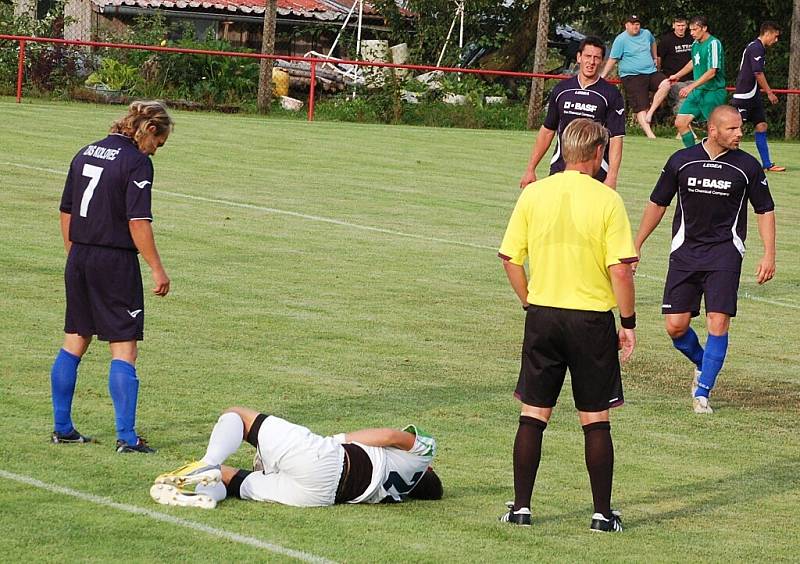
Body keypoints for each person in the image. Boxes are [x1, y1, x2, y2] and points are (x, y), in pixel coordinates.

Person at [499, 118, 637, 532]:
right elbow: (621, 271)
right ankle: (601, 514)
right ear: (598, 154)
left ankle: (521, 507)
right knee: (594, 418)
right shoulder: (607, 200)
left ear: (561, 149)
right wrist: (627, 322)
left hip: (543, 315)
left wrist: (529, 301)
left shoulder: (534, 194)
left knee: (533, 413)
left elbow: (510, 258)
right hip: (591, 320)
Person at [634, 105, 776, 414]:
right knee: (675, 326)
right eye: (732, 129)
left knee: (718, 321)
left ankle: (703, 393)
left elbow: (764, 209)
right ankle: (703, 362)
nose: (740, 133)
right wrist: (637, 244)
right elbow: (657, 204)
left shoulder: (748, 167)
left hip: (725, 253)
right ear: (713, 130)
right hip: (685, 252)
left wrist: (768, 253)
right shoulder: (681, 162)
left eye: (740, 128)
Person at [50, 100, 174, 453]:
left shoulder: (86, 151)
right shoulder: (137, 162)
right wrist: (156, 268)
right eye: (159, 143)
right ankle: (127, 437)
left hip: (79, 255)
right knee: (124, 347)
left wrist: (74, 253)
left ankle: (63, 428)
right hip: (114, 262)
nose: (157, 151)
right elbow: (138, 222)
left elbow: (66, 210)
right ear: (149, 129)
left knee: (74, 340)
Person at [149, 406, 442, 509]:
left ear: (428, 471)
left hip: (329, 461)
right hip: (317, 497)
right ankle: (206, 494)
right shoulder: (399, 494)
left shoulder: (423, 456)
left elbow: (392, 436)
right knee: (230, 478)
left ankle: (206, 462)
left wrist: (338, 439)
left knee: (237, 416)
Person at [520, 36, 625, 190]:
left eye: (597, 58)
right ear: (579, 57)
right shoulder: (562, 90)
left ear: (602, 61)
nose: (591, 62)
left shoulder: (611, 94)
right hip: (561, 168)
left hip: (595, 174)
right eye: (588, 56)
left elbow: (616, 138)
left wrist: (611, 177)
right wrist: (530, 168)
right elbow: (548, 130)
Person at [601, 14, 671, 139]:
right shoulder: (621, 39)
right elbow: (612, 59)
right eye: (632, 24)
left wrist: (655, 57)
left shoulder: (646, 33)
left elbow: (653, 42)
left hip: (650, 71)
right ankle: (650, 135)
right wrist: (602, 77)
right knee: (641, 106)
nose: (635, 27)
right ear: (626, 25)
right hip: (632, 76)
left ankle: (651, 112)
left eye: (637, 24)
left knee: (666, 83)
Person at [731, 21, 785, 172]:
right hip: (744, 95)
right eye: (775, 36)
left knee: (761, 126)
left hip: (753, 95)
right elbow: (758, 73)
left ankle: (767, 164)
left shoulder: (759, 47)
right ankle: (727, 160)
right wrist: (769, 92)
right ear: (767, 33)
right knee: (734, 128)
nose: (776, 40)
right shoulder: (756, 47)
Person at [669, 16, 727, 148]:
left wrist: (690, 87)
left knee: (715, 131)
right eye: (691, 30)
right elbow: (694, 62)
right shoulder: (695, 44)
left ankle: (724, 159)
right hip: (698, 91)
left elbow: (712, 71)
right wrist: (677, 75)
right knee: (681, 122)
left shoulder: (713, 44)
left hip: (713, 92)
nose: (692, 33)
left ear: (704, 28)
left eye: (695, 30)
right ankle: (692, 154)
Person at [656, 17, 694, 122]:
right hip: (674, 80)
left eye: (683, 25)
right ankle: (682, 125)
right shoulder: (666, 40)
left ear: (687, 26)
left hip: (693, 80)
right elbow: (659, 58)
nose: (681, 28)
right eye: (678, 25)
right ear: (673, 26)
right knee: (685, 98)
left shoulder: (692, 38)